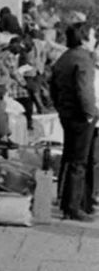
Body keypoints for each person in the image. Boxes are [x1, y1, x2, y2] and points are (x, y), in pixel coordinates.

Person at [50, 21, 98, 222]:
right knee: (80, 162)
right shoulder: (84, 59)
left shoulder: (64, 58)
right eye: (93, 35)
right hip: (80, 116)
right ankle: (73, 207)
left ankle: (67, 201)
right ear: (85, 38)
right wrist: (90, 112)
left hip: (66, 113)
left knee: (70, 157)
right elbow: (84, 90)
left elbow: (52, 86)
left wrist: (61, 107)